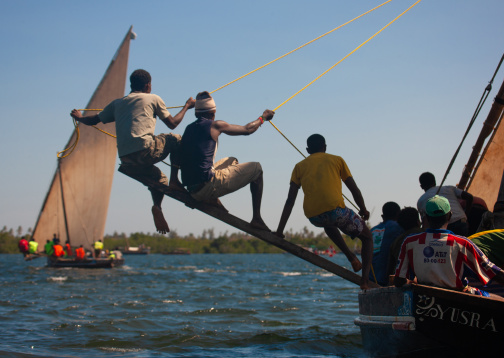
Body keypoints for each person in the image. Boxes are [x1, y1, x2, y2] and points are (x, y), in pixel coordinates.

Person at [70, 69, 196, 234]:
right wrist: (187, 106)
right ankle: (175, 181)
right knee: (176, 139)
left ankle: (157, 206)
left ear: (131, 85)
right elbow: (172, 123)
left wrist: (79, 117)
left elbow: (93, 120)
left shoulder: (117, 103)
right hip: (146, 151)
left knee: (159, 179)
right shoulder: (153, 98)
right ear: (148, 85)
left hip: (127, 160)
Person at [275, 134, 374, 289]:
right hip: (336, 212)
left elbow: (290, 201)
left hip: (314, 217)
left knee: (329, 224)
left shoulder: (299, 166)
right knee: (367, 238)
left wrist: (279, 231)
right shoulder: (337, 160)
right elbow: (354, 189)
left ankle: (351, 257)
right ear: (325, 147)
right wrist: (363, 208)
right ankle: (365, 281)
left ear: (307, 150)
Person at [180, 91, 274, 230]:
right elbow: (247, 129)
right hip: (206, 186)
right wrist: (263, 118)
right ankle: (257, 218)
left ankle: (210, 197)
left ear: (197, 113)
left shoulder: (188, 129)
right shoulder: (215, 125)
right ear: (213, 112)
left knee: (232, 160)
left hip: (192, 188)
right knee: (257, 169)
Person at [394, 195, 504, 296]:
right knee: (497, 298)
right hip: (459, 297)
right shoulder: (462, 244)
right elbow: (494, 273)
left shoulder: (410, 242)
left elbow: (399, 280)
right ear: (450, 216)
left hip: (424, 299)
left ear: (427, 218)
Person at [416, 172, 473, 236]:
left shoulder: (421, 201)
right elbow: (469, 197)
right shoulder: (449, 188)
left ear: (421, 186)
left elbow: (425, 223)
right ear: (434, 182)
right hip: (461, 222)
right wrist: (466, 215)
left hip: (443, 228)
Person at [369, 202, 403, 286]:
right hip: (385, 279)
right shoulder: (398, 228)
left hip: (370, 278)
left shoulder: (372, 230)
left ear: (383, 215)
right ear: (398, 214)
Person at [387, 207, 422, 276]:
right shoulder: (426, 234)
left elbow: (390, 270)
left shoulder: (396, 242)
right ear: (418, 222)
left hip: (402, 279)